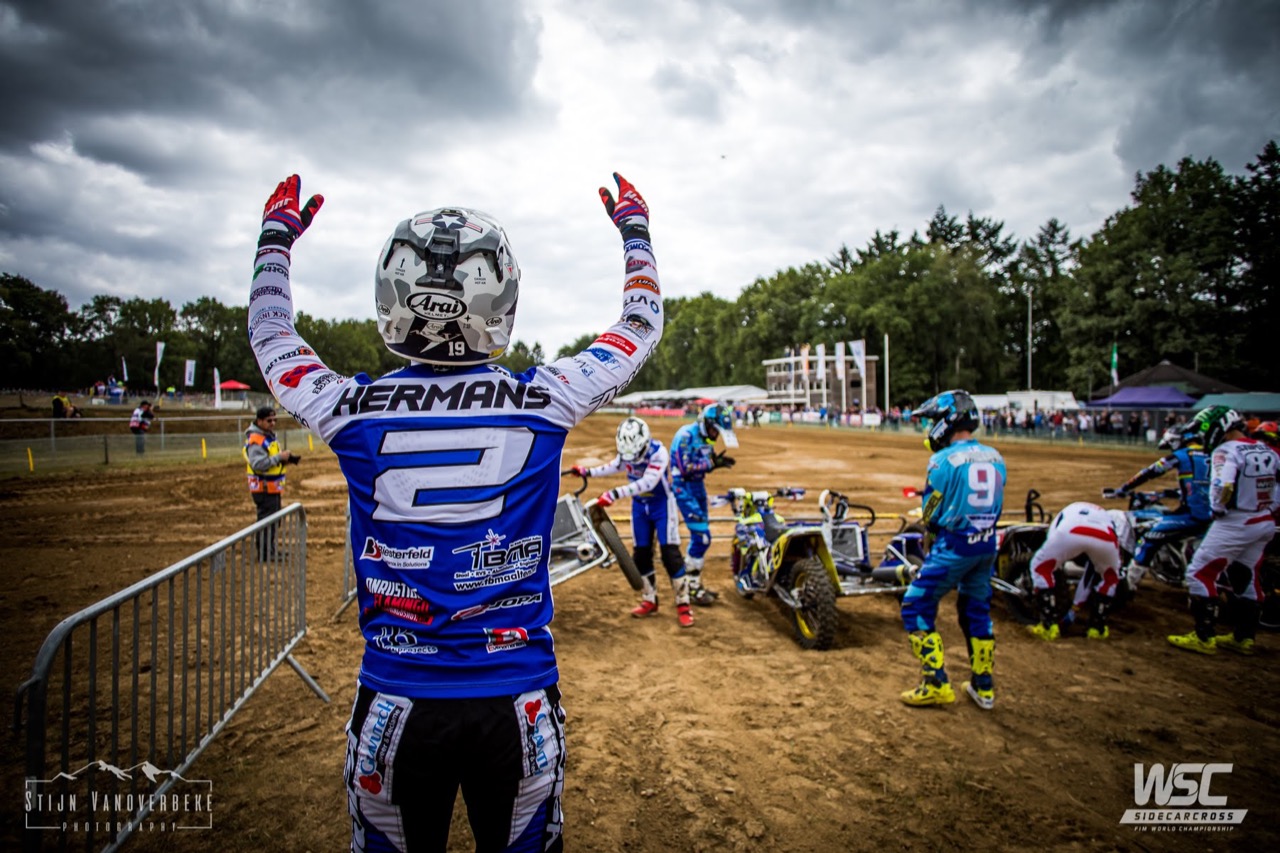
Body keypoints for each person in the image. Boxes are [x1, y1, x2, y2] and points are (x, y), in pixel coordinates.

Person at [248, 172, 660, 852]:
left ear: (390, 298)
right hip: (518, 697)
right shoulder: (547, 398)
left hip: (396, 697)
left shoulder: (351, 409)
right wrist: (635, 232)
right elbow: (639, 326)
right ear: (500, 301)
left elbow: (272, 338)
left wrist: (275, 241)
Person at [898, 390, 1006, 709]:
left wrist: (932, 531)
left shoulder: (942, 460)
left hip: (955, 546)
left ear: (946, 421)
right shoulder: (995, 457)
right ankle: (984, 687)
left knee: (915, 605)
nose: (929, 427)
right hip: (986, 543)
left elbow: (930, 511)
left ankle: (936, 682)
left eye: (932, 420)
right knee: (976, 609)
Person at [1168, 407, 1278, 656]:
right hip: (1263, 519)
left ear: (1219, 427)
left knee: (1199, 573)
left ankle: (1204, 636)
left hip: (1235, 520)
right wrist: (1271, 508)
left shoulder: (1226, 451)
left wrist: (1217, 510)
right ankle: (1243, 638)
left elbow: (1222, 485)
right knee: (1246, 575)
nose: (1202, 436)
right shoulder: (1267, 450)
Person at [572, 416, 693, 627]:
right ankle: (649, 599)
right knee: (641, 554)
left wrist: (614, 494)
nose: (632, 460)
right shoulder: (628, 452)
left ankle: (683, 604)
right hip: (639, 508)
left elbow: (648, 482)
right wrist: (587, 472)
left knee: (670, 554)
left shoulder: (659, 452)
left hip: (662, 506)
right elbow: (614, 466)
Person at [1112, 423, 1212, 592]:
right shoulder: (1211, 454)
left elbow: (1150, 472)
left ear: (1176, 441)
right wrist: (1160, 494)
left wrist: (1123, 489)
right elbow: (1195, 489)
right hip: (1215, 516)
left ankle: (1127, 587)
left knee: (1149, 538)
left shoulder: (1181, 455)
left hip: (1194, 516)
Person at [1025, 502, 1130, 641]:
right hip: (1106, 537)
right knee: (1110, 579)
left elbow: (1052, 538)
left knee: (1040, 567)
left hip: (1070, 531)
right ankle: (1097, 628)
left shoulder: (1070, 509)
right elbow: (1090, 573)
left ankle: (1048, 626)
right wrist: (1076, 606)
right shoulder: (1106, 516)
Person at [670, 402, 739, 605]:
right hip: (684, 488)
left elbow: (702, 464)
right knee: (702, 537)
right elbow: (685, 467)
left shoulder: (705, 438)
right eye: (714, 430)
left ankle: (691, 583)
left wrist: (713, 464)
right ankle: (691, 587)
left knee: (700, 537)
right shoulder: (685, 436)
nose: (715, 436)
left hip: (698, 487)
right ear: (706, 424)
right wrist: (711, 463)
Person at [243, 405, 297, 559]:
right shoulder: (256, 440)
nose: (273, 423)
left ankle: (270, 550)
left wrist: (283, 460)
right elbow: (258, 464)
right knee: (266, 521)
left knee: (272, 521)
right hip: (264, 488)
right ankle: (265, 553)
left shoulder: (267, 437)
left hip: (271, 487)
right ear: (259, 421)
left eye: (274, 420)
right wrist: (279, 457)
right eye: (269, 420)